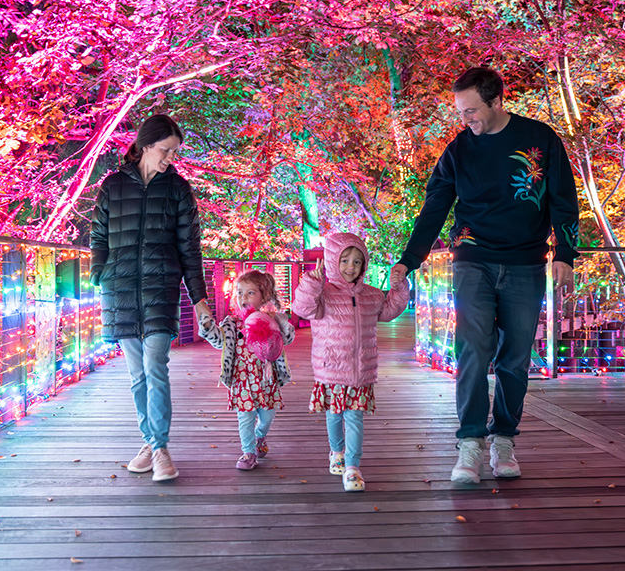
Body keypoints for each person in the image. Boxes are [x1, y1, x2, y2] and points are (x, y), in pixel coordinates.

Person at [393, 67, 580, 484]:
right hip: (472, 260)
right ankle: (470, 442)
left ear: (497, 101)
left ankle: (504, 439)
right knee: (473, 350)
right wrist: (410, 258)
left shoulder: (541, 139)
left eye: (472, 111)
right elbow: (435, 207)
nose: (466, 120)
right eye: (461, 112)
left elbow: (564, 199)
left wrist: (565, 253)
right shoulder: (459, 150)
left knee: (515, 357)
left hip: (526, 263)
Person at [90, 114, 213, 482]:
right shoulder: (112, 187)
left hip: (161, 288)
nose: (169, 159)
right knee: (135, 374)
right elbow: (98, 236)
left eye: (174, 153)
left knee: (155, 367)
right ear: (146, 145)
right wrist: (101, 273)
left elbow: (190, 247)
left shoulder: (177, 189)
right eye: (165, 151)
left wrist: (199, 298)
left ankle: (158, 447)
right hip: (121, 289)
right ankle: (151, 443)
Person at [292, 232, 410, 492]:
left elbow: (390, 311)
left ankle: (353, 466)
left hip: (360, 370)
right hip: (331, 368)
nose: (350, 267)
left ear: (364, 264)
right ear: (332, 260)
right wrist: (312, 282)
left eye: (357, 261)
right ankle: (336, 452)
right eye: (344, 260)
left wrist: (399, 288)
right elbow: (302, 309)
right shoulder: (322, 294)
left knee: (354, 417)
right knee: (334, 414)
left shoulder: (371, 295)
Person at [197, 270, 296, 470]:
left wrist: (283, 324)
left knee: (267, 416)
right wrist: (208, 326)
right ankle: (248, 452)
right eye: (240, 292)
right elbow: (219, 342)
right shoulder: (232, 323)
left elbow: (287, 339)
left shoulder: (272, 320)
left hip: (266, 379)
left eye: (250, 293)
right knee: (245, 417)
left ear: (264, 296)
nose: (243, 297)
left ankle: (260, 436)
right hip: (241, 379)